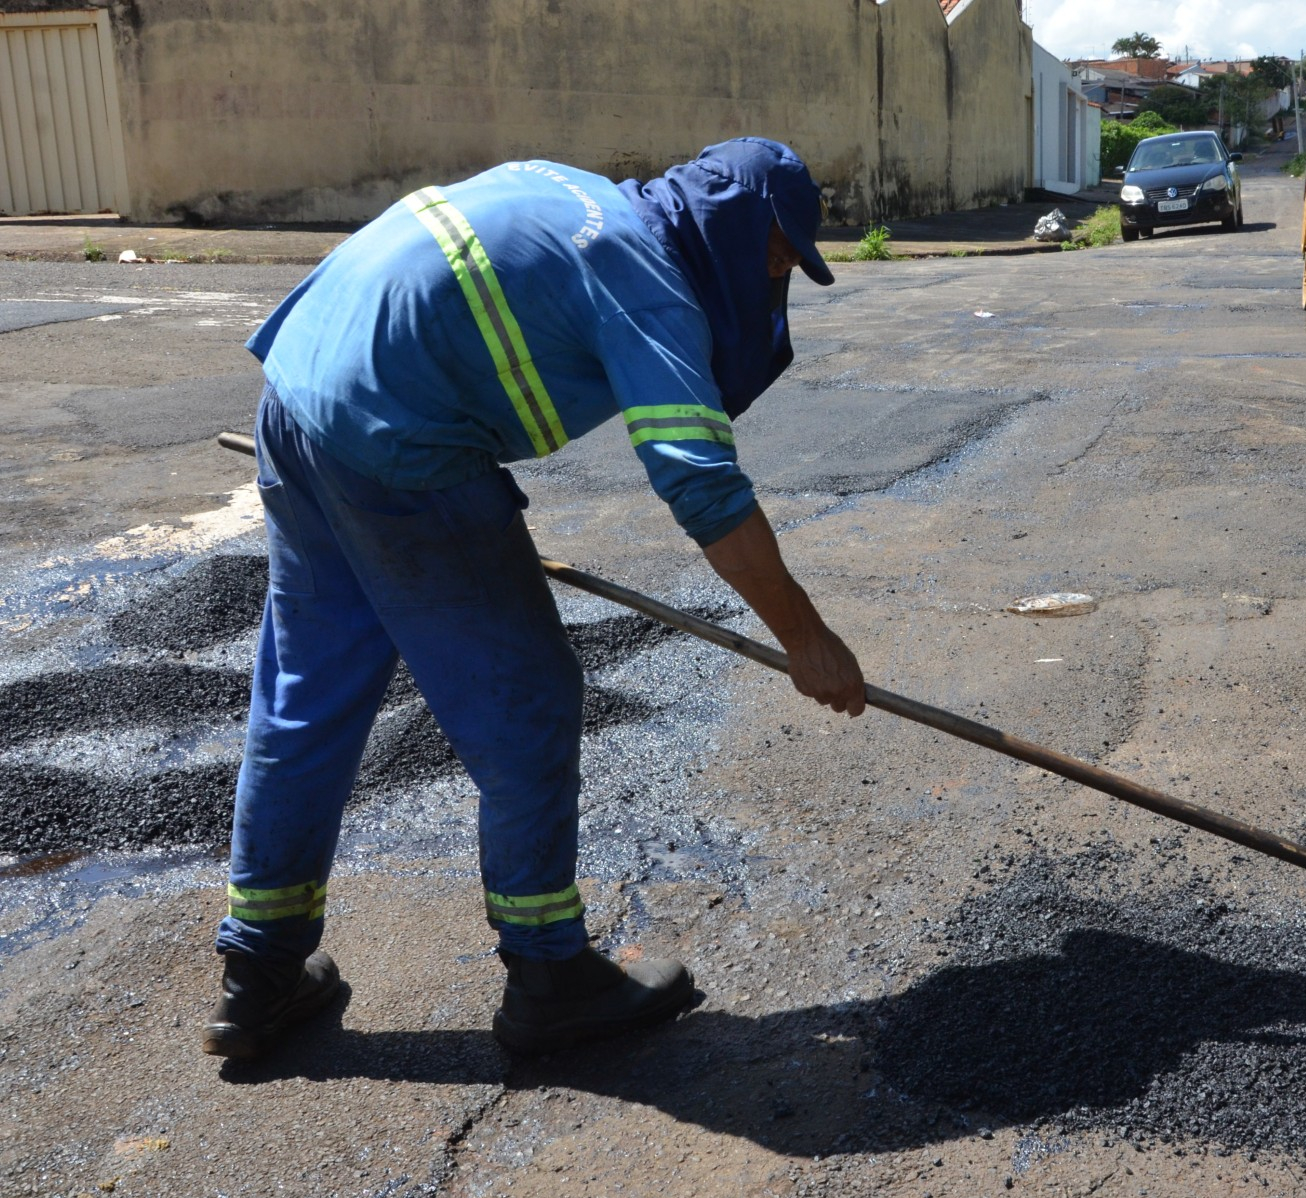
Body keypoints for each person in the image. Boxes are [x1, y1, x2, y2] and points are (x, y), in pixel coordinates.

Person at [202, 138, 866, 1061]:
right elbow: (702, 485)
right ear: (736, 226)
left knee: (307, 693)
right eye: (778, 255)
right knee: (531, 701)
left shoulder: (574, 189)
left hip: (301, 388)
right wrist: (806, 636)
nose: (777, 277)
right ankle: (549, 973)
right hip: (399, 445)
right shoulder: (648, 283)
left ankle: (259, 972)